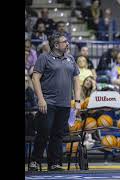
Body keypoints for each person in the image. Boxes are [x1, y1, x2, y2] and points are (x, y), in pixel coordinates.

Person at [29, 32, 81, 171]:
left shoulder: (70, 58)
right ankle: (35, 161)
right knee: (44, 132)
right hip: (48, 102)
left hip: (65, 103)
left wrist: (77, 100)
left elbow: (76, 79)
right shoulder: (44, 58)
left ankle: (54, 163)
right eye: (65, 42)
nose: (68, 44)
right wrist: (40, 99)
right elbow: (35, 78)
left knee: (58, 134)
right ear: (56, 45)